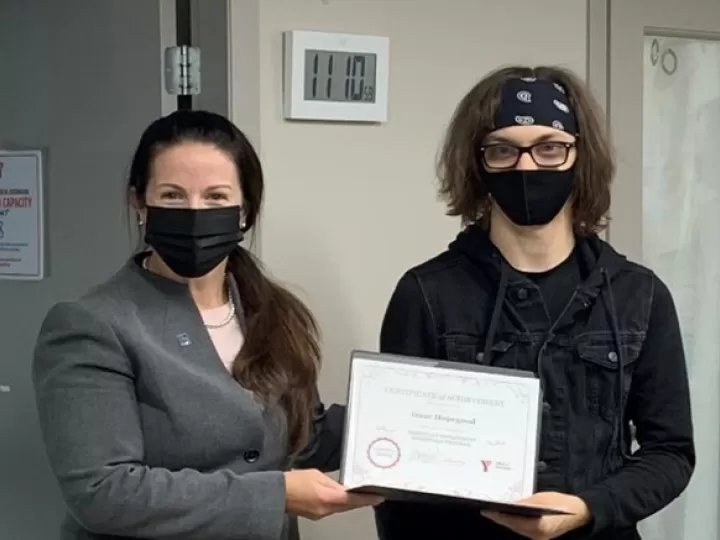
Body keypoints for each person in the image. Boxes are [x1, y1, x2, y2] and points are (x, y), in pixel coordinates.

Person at [374, 66, 695, 540]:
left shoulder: (639, 295)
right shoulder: (426, 295)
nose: (527, 167)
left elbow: (670, 453)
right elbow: (394, 473)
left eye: (549, 148)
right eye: (503, 150)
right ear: (477, 164)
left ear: (579, 156)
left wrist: (589, 508)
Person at [32, 110, 381, 540]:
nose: (195, 212)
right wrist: (277, 495)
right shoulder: (91, 325)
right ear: (139, 202)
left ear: (244, 210)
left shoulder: (271, 311)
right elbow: (103, 492)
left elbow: (299, 436)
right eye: (173, 196)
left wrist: (405, 426)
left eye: (216, 197)